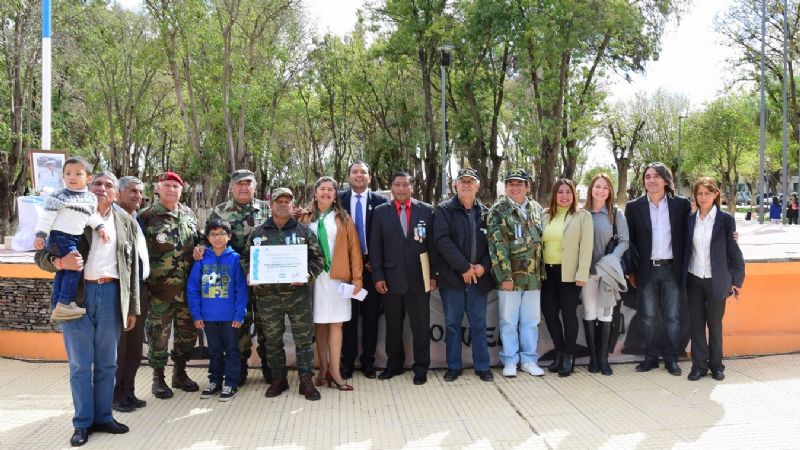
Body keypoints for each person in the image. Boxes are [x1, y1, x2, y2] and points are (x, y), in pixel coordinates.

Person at [34, 171, 139, 447]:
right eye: (98, 184)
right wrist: (59, 264)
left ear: (116, 193)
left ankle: (104, 417)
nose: (103, 188)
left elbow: (132, 268)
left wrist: (132, 308)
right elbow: (40, 256)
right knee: (81, 365)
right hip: (76, 297)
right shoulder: (69, 213)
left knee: (108, 363)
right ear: (88, 188)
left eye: (109, 185)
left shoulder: (126, 221)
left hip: (112, 294)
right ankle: (82, 423)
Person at [244, 187, 325, 401]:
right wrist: (250, 274)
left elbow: (319, 260)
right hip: (268, 298)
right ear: (271, 205)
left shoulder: (304, 232)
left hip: (297, 296)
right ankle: (279, 379)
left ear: (292, 206)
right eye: (278, 201)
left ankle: (306, 379)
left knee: (304, 340)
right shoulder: (258, 233)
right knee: (272, 341)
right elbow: (245, 260)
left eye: (287, 201)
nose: (282, 204)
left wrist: (307, 275)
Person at [139, 171, 203, 398]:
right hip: (160, 291)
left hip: (188, 290)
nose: (171, 190)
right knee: (158, 336)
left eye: (176, 187)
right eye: (166, 186)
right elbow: (138, 254)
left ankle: (180, 373)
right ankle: (158, 379)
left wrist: (200, 249)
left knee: (188, 334)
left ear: (181, 190)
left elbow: (198, 241)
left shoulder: (188, 214)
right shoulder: (146, 217)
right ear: (158, 188)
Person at [625, 162, 691, 376]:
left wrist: (730, 234)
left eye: (656, 176)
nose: (651, 180)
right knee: (649, 317)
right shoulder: (634, 207)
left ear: (665, 180)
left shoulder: (681, 205)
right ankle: (651, 357)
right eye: (647, 176)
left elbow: (695, 229)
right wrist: (631, 271)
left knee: (673, 317)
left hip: (672, 270)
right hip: (646, 271)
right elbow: (630, 241)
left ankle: (671, 358)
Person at [206, 169, 271, 385]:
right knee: (239, 323)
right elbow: (207, 240)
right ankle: (239, 367)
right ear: (232, 187)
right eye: (239, 184)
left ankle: (269, 365)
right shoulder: (219, 212)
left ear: (254, 186)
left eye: (248, 183)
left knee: (266, 321)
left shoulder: (267, 209)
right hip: (233, 278)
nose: (244, 187)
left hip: (262, 277)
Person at [370, 172, 435, 385]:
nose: (401, 188)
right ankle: (394, 365)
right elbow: (375, 247)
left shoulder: (426, 210)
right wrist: (378, 275)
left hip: (419, 278)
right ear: (391, 187)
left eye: (405, 185)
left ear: (412, 187)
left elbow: (432, 246)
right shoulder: (381, 212)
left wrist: (433, 276)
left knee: (420, 326)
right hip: (390, 279)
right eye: (397, 185)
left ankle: (421, 367)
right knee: (393, 326)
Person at [300, 176, 362, 391]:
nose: (326, 192)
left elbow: (354, 250)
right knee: (319, 322)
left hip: (337, 278)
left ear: (336, 194)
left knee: (336, 322)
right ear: (315, 192)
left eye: (330, 189)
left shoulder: (343, 218)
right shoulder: (305, 217)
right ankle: (322, 366)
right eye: (322, 188)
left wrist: (357, 279)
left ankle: (335, 371)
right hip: (315, 278)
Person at [433, 168, 494, 382]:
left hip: (479, 279)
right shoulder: (444, 210)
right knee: (452, 324)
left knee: (478, 324)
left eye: (471, 181)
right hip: (453, 278)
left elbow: (493, 247)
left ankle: (483, 367)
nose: (466, 185)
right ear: (455, 185)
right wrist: (464, 267)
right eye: (463, 181)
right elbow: (441, 241)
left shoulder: (487, 213)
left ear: (478, 186)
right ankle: (454, 367)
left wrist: (482, 268)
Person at [684, 178, 745, 382]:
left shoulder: (725, 220)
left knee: (715, 324)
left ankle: (717, 365)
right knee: (696, 324)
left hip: (716, 279)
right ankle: (698, 366)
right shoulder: (690, 219)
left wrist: (736, 279)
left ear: (716, 194)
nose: (703, 198)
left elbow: (733, 251)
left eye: (707, 193)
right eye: (699, 194)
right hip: (694, 278)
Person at [487, 169, 546, 378]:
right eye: (511, 183)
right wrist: (505, 276)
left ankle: (529, 360)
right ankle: (510, 360)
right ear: (505, 187)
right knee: (509, 321)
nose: (515, 187)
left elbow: (542, 242)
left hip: (533, 278)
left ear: (527, 186)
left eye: (519, 183)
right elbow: (497, 247)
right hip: (510, 278)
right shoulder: (498, 210)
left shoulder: (537, 209)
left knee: (531, 321)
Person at [34, 156, 109, 321]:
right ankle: (65, 303)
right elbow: (46, 217)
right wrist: (40, 235)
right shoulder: (59, 196)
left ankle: (57, 305)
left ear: (88, 178)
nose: (72, 177)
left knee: (65, 270)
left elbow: (91, 217)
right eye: (67, 173)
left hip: (73, 238)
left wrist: (100, 227)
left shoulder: (90, 198)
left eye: (77, 174)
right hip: (59, 237)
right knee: (75, 266)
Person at [338, 161, 389, 379]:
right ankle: (347, 362)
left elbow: (387, 236)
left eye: (363, 172)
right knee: (348, 318)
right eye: (355, 172)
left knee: (370, 318)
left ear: (370, 177)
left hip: (371, 268)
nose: (359, 176)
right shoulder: (338, 200)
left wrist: (375, 262)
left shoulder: (381, 202)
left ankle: (368, 362)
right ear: (349, 176)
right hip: (345, 269)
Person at [188, 219, 248, 401]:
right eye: (213, 234)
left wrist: (239, 314)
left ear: (229, 237)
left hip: (230, 317)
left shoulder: (235, 259)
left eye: (222, 233)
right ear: (207, 237)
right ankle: (214, 380)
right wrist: (196, 314)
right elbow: (193, 288)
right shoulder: (201, 260)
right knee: (214, 350)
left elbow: (241, 289)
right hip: (209, 317)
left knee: (231, 350)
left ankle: (231, 383)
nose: (218, 238)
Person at [540, 179, 593, 377]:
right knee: (550, 314)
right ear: (554, 195)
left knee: (569, 315)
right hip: (547, 272)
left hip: (570, 274)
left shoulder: (582, 216)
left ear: (574, 195)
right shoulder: (545, 215)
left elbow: (586, 247)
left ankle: (569, 356)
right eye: (560, 192)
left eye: (568, 192)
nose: (564, 196)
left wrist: (582, 274)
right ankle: (560, 351)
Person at [582, 173, 629, 376]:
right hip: (586, 273)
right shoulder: (581, 213)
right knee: (590, 314)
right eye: (597, 186)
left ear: (609, 191)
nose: (600, 191)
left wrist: (610, 260)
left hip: (608, 273)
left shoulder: (615, 213)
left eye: (605, 187)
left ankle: (603, 359)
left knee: (606, 315)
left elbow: (624, 242)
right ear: (591, 189)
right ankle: (593, 358)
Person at [112, 176, 151, 413]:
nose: (138, 196)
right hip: (122, 291)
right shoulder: (112, 218)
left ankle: (129, 391)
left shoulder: (137, 218)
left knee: (136, 347)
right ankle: (115, 396)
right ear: (118, 193)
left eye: (140, 192)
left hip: (140, 288)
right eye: (133, 191)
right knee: (121, 346)